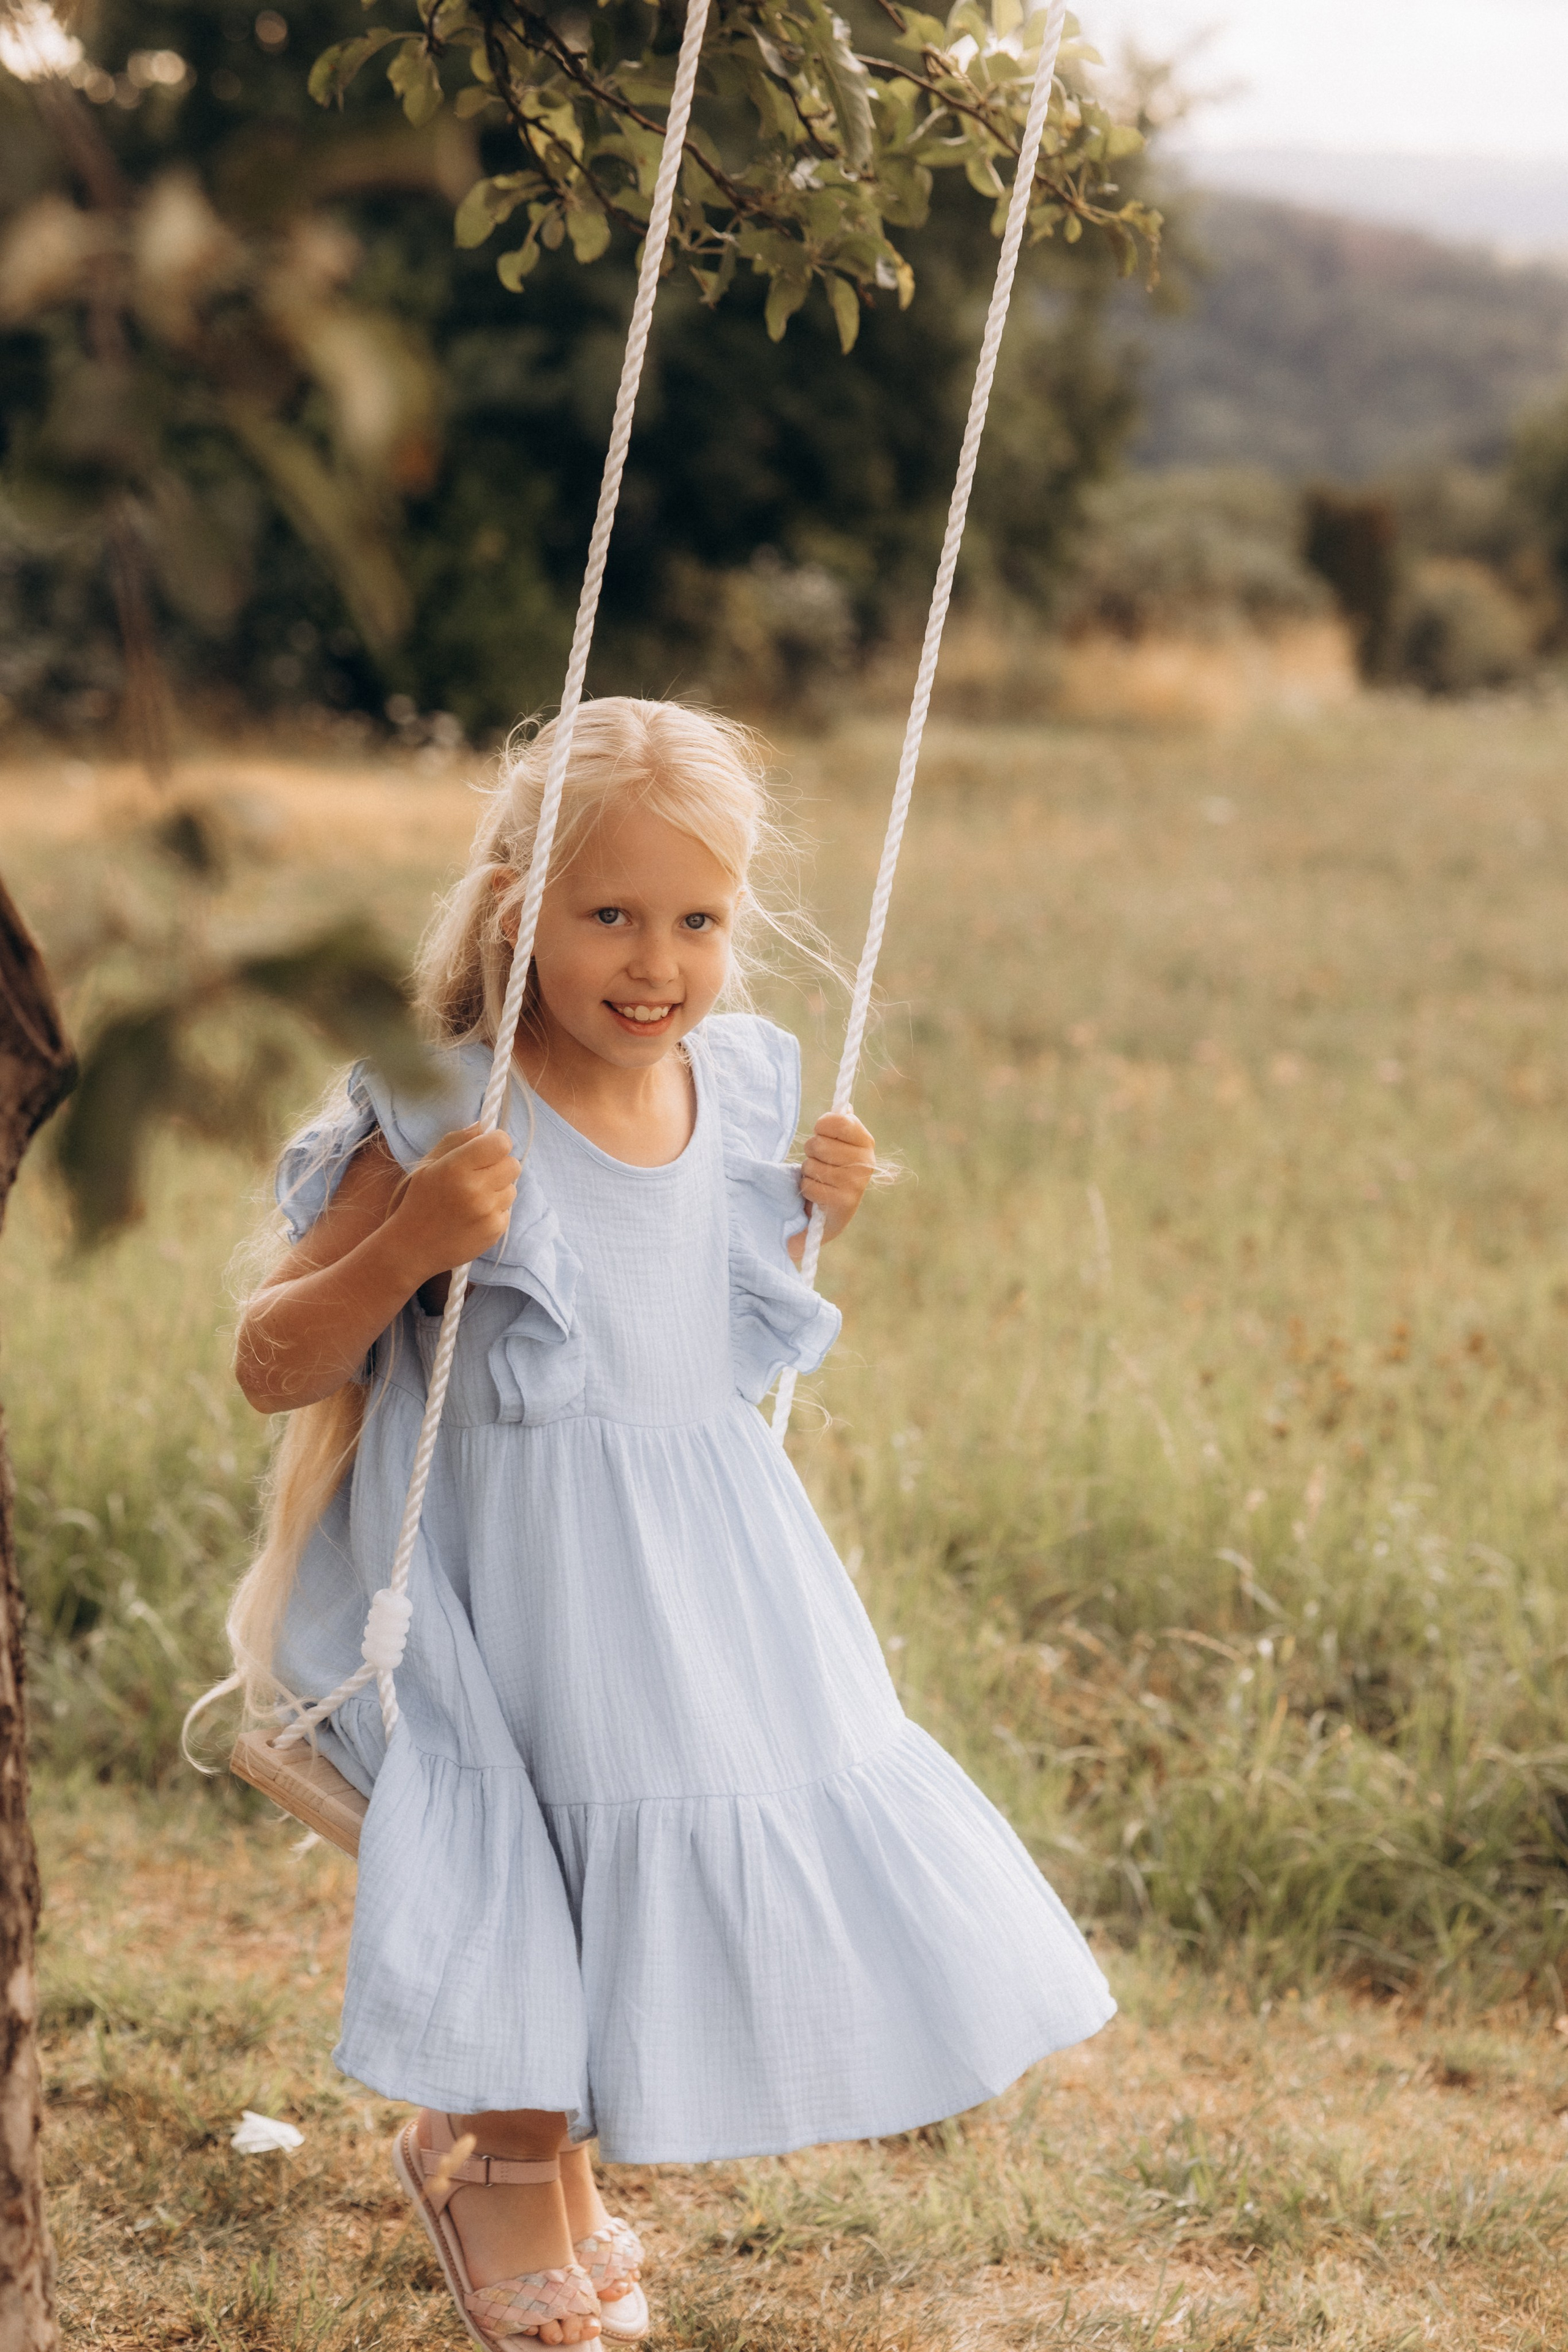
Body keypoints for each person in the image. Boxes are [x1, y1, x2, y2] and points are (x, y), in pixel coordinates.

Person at [224, 698, 1114, 2348]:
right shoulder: (438, 1102)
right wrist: (410, 1242)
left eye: (697, 920)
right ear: (518, 913)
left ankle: (508, 2151)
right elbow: (274, 1360)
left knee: (650, 1849)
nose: (658, 962)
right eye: (609, 915)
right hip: (507, 1573)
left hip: (698, 1571)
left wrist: (802, 1222)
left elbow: (699, 1330)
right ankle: (503, 2168)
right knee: (536, 1848)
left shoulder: (742, 1086)